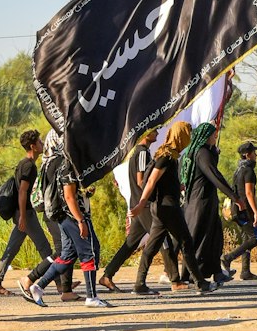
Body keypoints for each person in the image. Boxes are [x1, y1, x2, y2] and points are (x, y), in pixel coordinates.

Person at [21, 139, 108, 308]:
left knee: (67, 256)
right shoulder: (69, 166)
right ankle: (92, 297)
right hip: (73, 217)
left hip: (63, 217)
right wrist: (80, 220)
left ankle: (38, 287)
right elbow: (68, 196)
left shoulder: (62, 164)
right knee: (88, 252)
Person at [131, 121, 212, 295]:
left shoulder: (170, 155)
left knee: (152, 246)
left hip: (162, 208)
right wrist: (141, 203)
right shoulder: (166, 156)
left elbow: (163, 182)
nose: (189, 137)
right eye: (187, 133)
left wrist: (177, 187)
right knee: (186, 242)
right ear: (180, 135)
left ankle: (139, 284)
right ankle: (200, 283)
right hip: (167, 208)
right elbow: (152, 181)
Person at [99, 130, 181, 291]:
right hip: (142, 207)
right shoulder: (142, 152)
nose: (157, 132)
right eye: (154, 130)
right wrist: (157, 188)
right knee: (163, 240)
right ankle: (174, 280)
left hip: (137, 204)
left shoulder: (139, 152)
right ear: (145, 134)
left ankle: (107, 275)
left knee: (130, 243)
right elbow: (141, 181)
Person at [0, 129, 56, 295]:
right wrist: (23, 217)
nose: (42, 144)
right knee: (45, 249)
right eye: (40, 142)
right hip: (25, 213)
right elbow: (22, 191)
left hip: (23, 213)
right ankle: (62, 284)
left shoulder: (25, 164)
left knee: (12, 248)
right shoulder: (28, 166)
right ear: (33, 146)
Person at [180, 122, 240, 289]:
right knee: (199, 238)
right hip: (201, 202)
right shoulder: (202, 153)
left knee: (215, 237)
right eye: (213, 134)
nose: (216, 136)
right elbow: (215, 176)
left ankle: (216, 271)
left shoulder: (200, 152)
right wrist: (233, 196)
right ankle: (192, 275)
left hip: (204, 202)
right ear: (205, 136)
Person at [222, 141, 257, 280]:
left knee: (246, 238)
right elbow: (249, 193)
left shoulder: (238, 170)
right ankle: (228, 258)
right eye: (254, 153)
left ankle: (245, 271)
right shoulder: (248, 171)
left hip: (236, 210)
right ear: (247, 155)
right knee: (255, 238)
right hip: (244, 210)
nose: (256, 155)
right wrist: (256, 212)